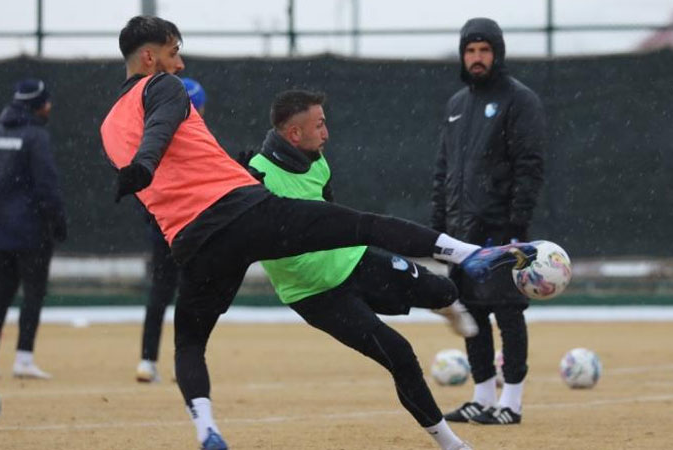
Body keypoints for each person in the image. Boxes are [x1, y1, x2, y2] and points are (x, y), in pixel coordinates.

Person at [101, 16, 535, 450]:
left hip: (195, 244)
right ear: (149, 56)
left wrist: (141, 169)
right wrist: (146, 163)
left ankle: (207, 429)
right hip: (245, 215)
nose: (179, 65)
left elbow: (157, 155)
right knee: (363, 224)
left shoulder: (107, 130)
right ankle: (469, 254)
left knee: (190, 343)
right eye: (174, 53)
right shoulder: (165, 88)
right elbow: (160, 125)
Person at [238, 89, 478, 449]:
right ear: (293, 134)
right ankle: (449, 443)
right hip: (316, 296)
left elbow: (332, 217)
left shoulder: (317, 161)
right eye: (319, 125)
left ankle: (447, 307)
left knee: (445, 291)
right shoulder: (255, 179)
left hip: (355, 260)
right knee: (399, 353)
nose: (326, 132)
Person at [433, 18, 546, 426]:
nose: (477, 58)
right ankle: (482, 397)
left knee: (507, 309)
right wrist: (438, 225)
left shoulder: (520, 100)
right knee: (470, 311)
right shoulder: (456, 105)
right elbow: (444, 170)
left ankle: (511, 403)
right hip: (461, 231)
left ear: (497, 53)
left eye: (484, 50)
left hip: (501, 228)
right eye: (470, 51)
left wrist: (517, 224)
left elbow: (529, 166)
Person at [0, 78, 67, 379]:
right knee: (34, 293)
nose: (50, 107)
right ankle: (23, 359)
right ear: (36, 105)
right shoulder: (36, 137)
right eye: (46, 102)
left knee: (1, 290)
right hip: (31, 231)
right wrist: (57, 221)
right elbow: (46, 184)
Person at [135, 76, 206, 384]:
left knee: (160, 293)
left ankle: (147, 361)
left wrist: (153, 218)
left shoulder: (154, 136)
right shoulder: (198, 140)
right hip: (191, 229)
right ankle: (186, 362)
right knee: (191, 296)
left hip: (164, 227)